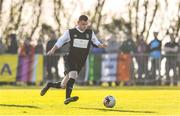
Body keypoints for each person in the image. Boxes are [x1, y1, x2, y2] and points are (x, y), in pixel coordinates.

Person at [40, 15, 107, 105]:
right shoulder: (71, 32)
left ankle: (49, 85)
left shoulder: (90, 33)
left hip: (81, 60)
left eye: (86, 24)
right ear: (78, 22)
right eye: (83, 24)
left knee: (63, 85)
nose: (84, 26)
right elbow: (60, 41)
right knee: (73, 75)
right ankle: (67, 98)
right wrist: (52, 50)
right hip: (71, 57)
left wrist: (101, 45)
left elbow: (96, 41)